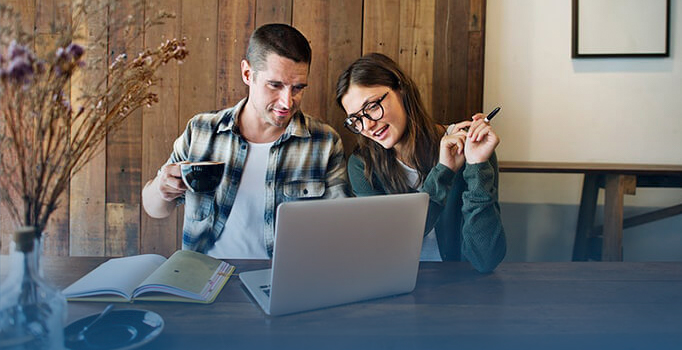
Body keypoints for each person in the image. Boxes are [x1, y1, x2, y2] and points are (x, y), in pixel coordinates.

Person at [142, 23, 349, 258]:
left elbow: (340, 228)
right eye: (275, 85)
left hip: (287, 280)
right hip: (203, 277)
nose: (287, 102)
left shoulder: (324, 142)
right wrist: (162, 188)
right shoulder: (202, 131)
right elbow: (155, 209)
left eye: (298, 88)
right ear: (248, 74)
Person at [335, 53, 506, 272]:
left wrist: (477, 165)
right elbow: (390, 247)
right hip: (392, 286)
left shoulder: (470, 147)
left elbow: (486, 259)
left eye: (371, 107)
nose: (366, 126)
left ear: (402, 91)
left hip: (459, 289)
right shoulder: (363, 164)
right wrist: (444, 172)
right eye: (355, 119)